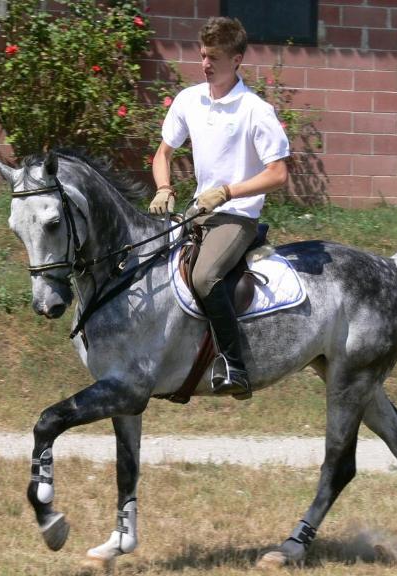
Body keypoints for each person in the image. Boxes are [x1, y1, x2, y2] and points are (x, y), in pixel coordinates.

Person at [149, 16, 290, 400]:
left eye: (214, 57)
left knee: (204, 277)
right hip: (198, 212)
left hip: (236, 217)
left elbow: (278, 174)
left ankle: (235, 366)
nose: (205, 64)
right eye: (202, 55)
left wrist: (228, 192)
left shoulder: (254, 110)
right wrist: (164, 187)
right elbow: (162, 154)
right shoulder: (188, 100)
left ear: (237, 60)